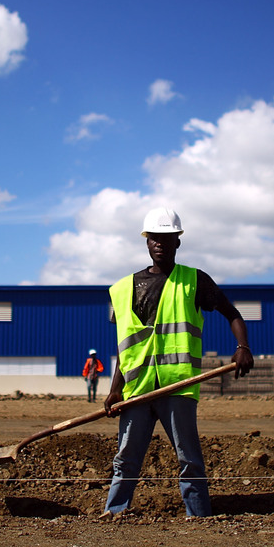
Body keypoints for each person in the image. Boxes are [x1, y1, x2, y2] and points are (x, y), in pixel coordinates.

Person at [102, 206, 254, 518]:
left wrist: (242, 346)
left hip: (178, 387)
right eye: (154, 237)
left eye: (166, 237)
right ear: (146, 242)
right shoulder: (122, 289)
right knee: (126, 457)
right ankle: (114, 514)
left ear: (177, 242)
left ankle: (198, 517)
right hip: (137, 390)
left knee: (189, 457)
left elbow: (233, 314)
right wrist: (115, 389)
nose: (160, 242)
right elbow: (126, 349)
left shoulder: (194, 281)